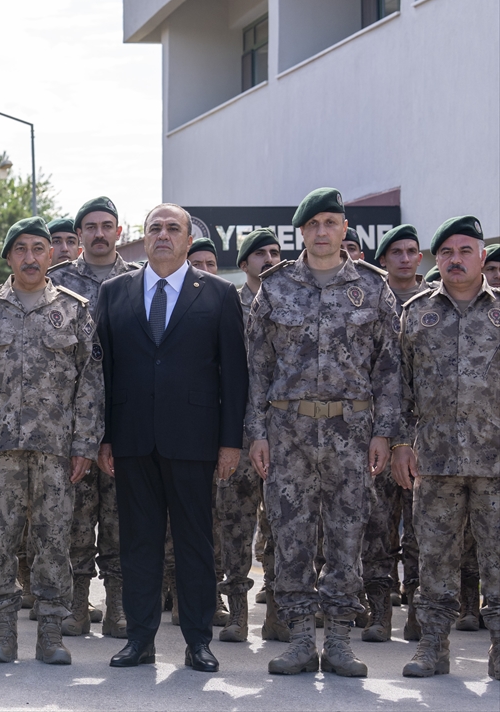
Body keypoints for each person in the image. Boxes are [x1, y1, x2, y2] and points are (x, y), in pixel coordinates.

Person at [247, 187, 401, 678]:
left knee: (347, 534)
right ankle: (297, 639)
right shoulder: (275, 288)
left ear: (344, 230)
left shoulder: (374, 289)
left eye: (330, 223)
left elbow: (390, 370)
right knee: (289, 534)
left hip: (351, 431)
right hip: (287, 429)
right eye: (313, 225)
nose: (321, 232)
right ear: (301, 232)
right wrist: (256, 432)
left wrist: (385, 433)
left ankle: (337, 639)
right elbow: (257, 368)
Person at [94, 203, 247, 673]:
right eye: (155, 228)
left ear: (188, 241)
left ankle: (199, 641)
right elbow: (103, 370)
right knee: (137, 542)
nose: (163, 235)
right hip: (132, 438)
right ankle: (139, 639)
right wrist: (102, 437)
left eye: (172, 228)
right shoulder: (114, 291)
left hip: (194, 440)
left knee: (195, 544)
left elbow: (234, 374)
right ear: (143, 238)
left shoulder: (219, 294)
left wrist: (230, 442)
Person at [0, 217, 100, 665]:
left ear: (52, 254)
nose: (32, 256)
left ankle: (51, 634)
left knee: (54, 539)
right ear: (8, 257)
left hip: (57, 451)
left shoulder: (74, 310)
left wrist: (85, 445)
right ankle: (2, 633)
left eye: (40, 248)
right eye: (21, 249)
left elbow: (90, 383)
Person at [392, 216, 499, 680]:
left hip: (496, 462)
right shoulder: (417, 313)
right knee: (434, 557)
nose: (456, 260)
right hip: (434, 461)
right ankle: (433, 646)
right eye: (447, 253)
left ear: (481, 256)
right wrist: (399, 442)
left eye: (466, 251)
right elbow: (398, 387)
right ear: (437, 260)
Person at [48, 196, 136, 639]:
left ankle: (118, 608)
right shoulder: (55, 282)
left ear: (119, 231)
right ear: (78, 234)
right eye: (90, 227)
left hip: (127, 418)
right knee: (75, 519)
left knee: (121, 519)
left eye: (107, 226)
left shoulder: (140, 281)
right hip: (68, 423)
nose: (99, 233)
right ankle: (76, 607)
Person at [215, 228, 286, 643]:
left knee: (283, 526)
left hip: (285, 434)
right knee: (235, 526)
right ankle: (239, 614)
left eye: (275, 252)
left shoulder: (292, 302)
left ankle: (277, 612)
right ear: (244, 265)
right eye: (260, 254)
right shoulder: (228, 306)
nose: (269, 259)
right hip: (238, 435)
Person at [362, 224, 426, 642]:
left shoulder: (432, 304)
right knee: (377, 528)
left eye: (411, 251)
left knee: (423, 530)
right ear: (384, 260)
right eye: (396, 252)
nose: (404, 258)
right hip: (378, 433)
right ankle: (380, 613)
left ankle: (419, 611)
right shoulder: (369, 301)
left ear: (420, 258)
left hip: (426, 439)